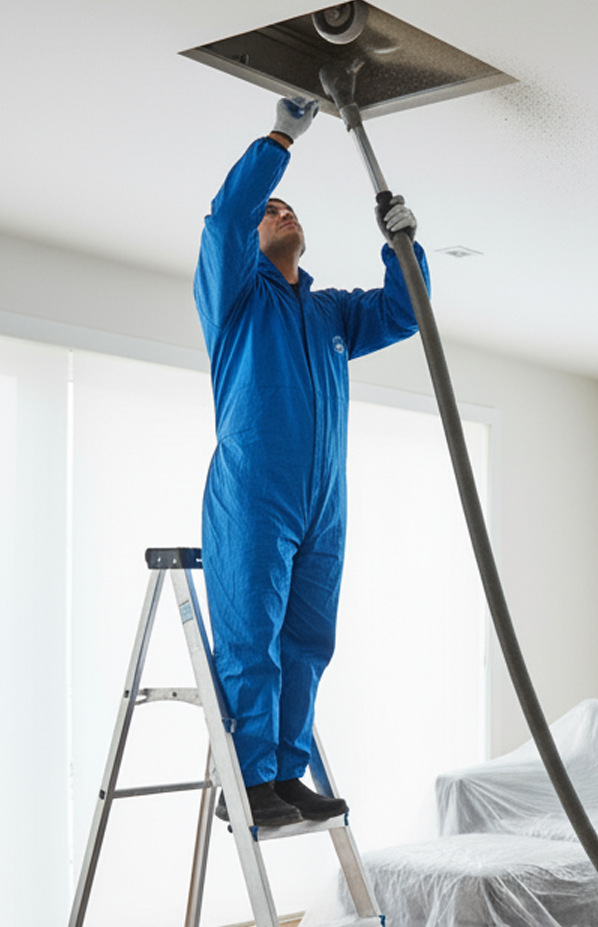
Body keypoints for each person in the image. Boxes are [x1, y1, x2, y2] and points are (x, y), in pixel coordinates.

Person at [194, 96, 429, 827]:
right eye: (271, 210)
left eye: (289, 208)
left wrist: (404, 247)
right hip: (256, 493)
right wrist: (280, 139)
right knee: (250, 639)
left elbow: (405, 311)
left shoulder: (330, 314)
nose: (280, 212)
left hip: (325, 502)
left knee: (308, 642)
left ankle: (287, 770)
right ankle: (250, 783)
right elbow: (223, 221)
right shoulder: (235, 299)